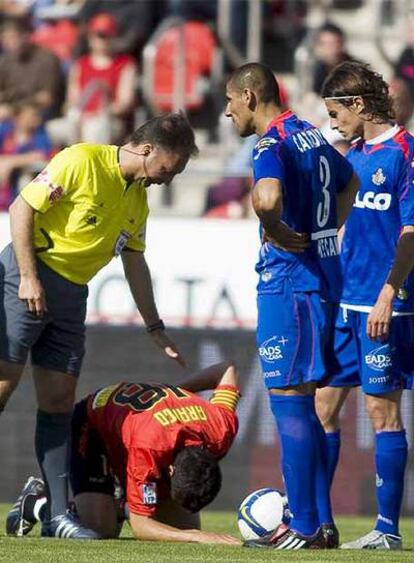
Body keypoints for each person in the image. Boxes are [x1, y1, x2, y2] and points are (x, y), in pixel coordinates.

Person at [0, 112, 198, 539]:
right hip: (26, 275)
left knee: (58, 402)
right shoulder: (81, 160)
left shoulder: (137, 200)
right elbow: (21, 208)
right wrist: (29, 276)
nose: (171, 177)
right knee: (2, 386)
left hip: (72, 297)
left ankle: (55, 515)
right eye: (172, 167)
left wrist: (155, 327)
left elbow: (135, 262)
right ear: (149, 150)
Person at [225, 62, 359, 549]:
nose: (226, 110)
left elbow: (266, 197)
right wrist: (326, 233)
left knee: (289, 403)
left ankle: (302, 526)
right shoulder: (310, 134)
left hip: (290, 283)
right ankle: (321, 524)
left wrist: (277, 229)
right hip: (325, 280)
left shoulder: (270, 144)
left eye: (230, 100)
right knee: (310, 404)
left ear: (249, 95)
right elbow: (349, 183)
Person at [316, 61, 414, 550]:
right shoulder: (349, 156)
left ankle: (386, 530)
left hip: (385, 307)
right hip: (345, 302)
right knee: (322, 407)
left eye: (336, 112)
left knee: (381, 412)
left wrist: (388, 293)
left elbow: (411, 234)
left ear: (358, 104)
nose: (332, 121)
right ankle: (319, 523)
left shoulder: (404, 154)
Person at [7, 361, 241, 545]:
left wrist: (175, 392)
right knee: (99, 529)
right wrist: (198, 536)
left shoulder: (221, 427)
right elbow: (141, 526)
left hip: (142, 427)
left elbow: (226, 369)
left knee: (179, 529)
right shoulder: (149, 446)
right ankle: (39, 501)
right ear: (170, 468)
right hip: (94, 422)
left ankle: (119, 503)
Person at [0, 16, 64, 120]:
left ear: (25, 36)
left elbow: (46, 98)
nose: (9, 43)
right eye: (4, 39)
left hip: (41, 112)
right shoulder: (6, 61)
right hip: (11, 109)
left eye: (13, 37)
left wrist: (13, 108)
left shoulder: (47, 58)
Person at [0, 100, 53, 210]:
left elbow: (40, 156)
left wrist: (11, 162)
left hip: (24, 178)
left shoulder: (40, 135)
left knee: (25, 180)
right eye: (31, 116)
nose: (36, 119)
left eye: (37, 115)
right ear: (17, 117)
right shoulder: (5, 132)